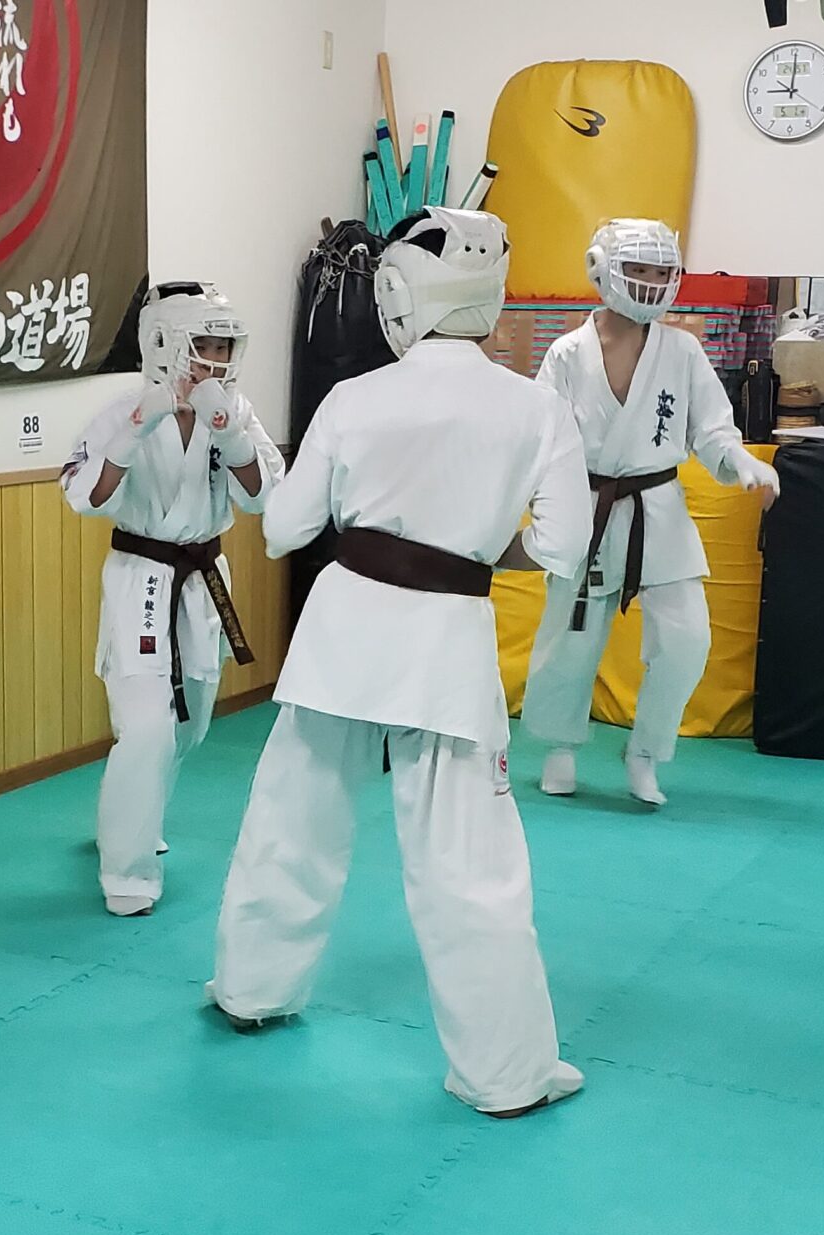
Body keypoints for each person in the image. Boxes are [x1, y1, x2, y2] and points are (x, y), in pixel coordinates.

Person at [209, 208, 592, 1118]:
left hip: (341, 635)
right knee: (469, 865)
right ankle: (505, 1074)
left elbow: (286, 530)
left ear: (400, 294)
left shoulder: (353, 398)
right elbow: (563, 548)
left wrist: (380, 519)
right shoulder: (539, 410)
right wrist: (473, 543)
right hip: (446, 646)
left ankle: (251, 991)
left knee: (291, 823)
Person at [522, 219, 779, 807]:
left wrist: (741, 462)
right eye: (638, 270)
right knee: (570, 642)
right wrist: (536, 503)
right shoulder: (567, 354)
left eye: (661, 272)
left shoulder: (682, 351)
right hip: (585, 508)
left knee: (687, 639)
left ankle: (646, 752)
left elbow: (711, 429)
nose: (651, 283)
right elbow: (539, 436)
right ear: (603, 270)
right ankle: (560, 748)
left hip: (657, 509)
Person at [61, 282, 281, 917]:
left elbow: (264, 496)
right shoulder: (121, 411)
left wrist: (229, 433)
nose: (217, 360)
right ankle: (126, 872)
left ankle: (133, 813)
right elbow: (87, 498)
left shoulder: (238, 412)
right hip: (141, 576)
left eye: (225, 347)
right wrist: (140, 427)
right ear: (165, 345)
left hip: (204, 578)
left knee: (189, 723)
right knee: (147, 726)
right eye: (206, 345)